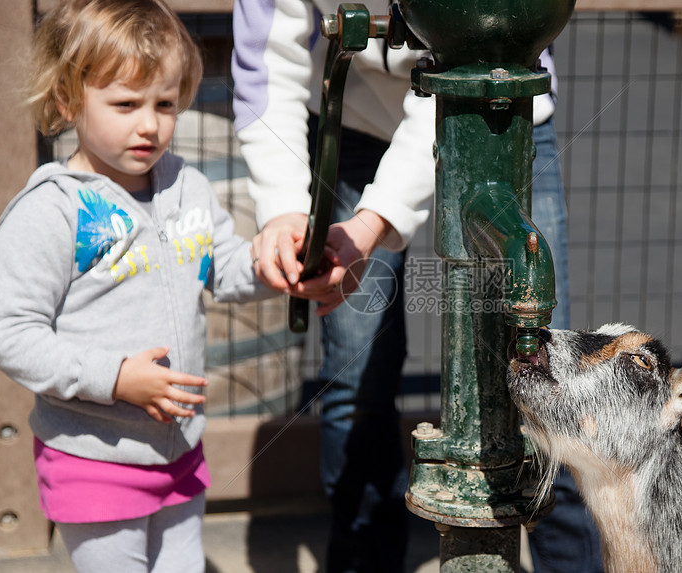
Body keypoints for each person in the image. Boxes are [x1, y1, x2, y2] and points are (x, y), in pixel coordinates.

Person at [232, 1, 602, 571]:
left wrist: (368, 225)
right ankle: (364, 556)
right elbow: (267, 60)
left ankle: (569, 564)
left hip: (501, 103)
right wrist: (284, 210)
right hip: (353, 119)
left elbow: (467, 55)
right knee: (354, 377)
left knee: (548, 384)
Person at [0, 1, 276, 571]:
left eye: (165, 104)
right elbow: (10, 332)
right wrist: (117, 378)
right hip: (93, 459)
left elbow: (221, 267)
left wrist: (278, 269)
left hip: (180, 451)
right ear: (67, 99)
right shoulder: (54, 209)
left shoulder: (186, 186)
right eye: (125, 104)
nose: (149, 124)